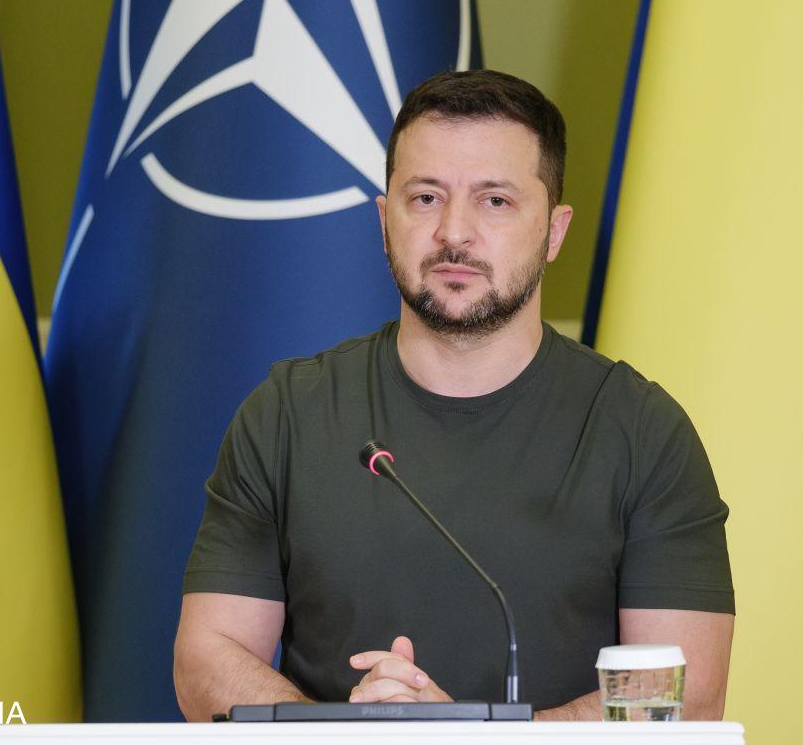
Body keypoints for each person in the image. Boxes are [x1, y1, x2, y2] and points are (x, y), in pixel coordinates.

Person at [173, 70, 734, 721]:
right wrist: (339, 736)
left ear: (554, 231)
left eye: (494, 200)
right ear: (385, 221)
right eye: (425, 198)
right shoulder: (286, 416)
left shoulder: (643, 433)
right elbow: (206, 659)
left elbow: (682, 693)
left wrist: (475, 738)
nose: (454, 233)